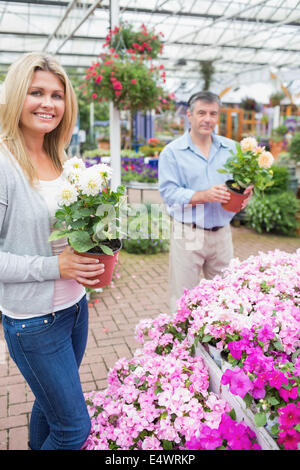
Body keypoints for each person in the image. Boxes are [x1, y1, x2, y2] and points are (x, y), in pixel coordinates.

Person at [0, 52, 106, 450]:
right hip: (34, 322)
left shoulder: (59, 157)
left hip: (74, 309)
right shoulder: (3, 163)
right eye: (36, 92)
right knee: (74, 429)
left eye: (57, 95)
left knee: (49, 407)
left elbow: (65, 231)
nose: (49, 103)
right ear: (15, 97)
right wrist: (54, 266)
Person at [158, 91, 252, 313]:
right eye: (201, 113)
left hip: (222, 234)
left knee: (225, 296)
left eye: (213, 113)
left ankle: (217, 347)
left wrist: (246, 195)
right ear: (189, 116)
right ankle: (182, 346)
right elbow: (169, 193)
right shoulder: (172, 153)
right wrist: (203, 195)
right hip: (189, 232)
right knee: (183, 299)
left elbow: (242, 182)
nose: (207, 119)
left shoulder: (232, 149)